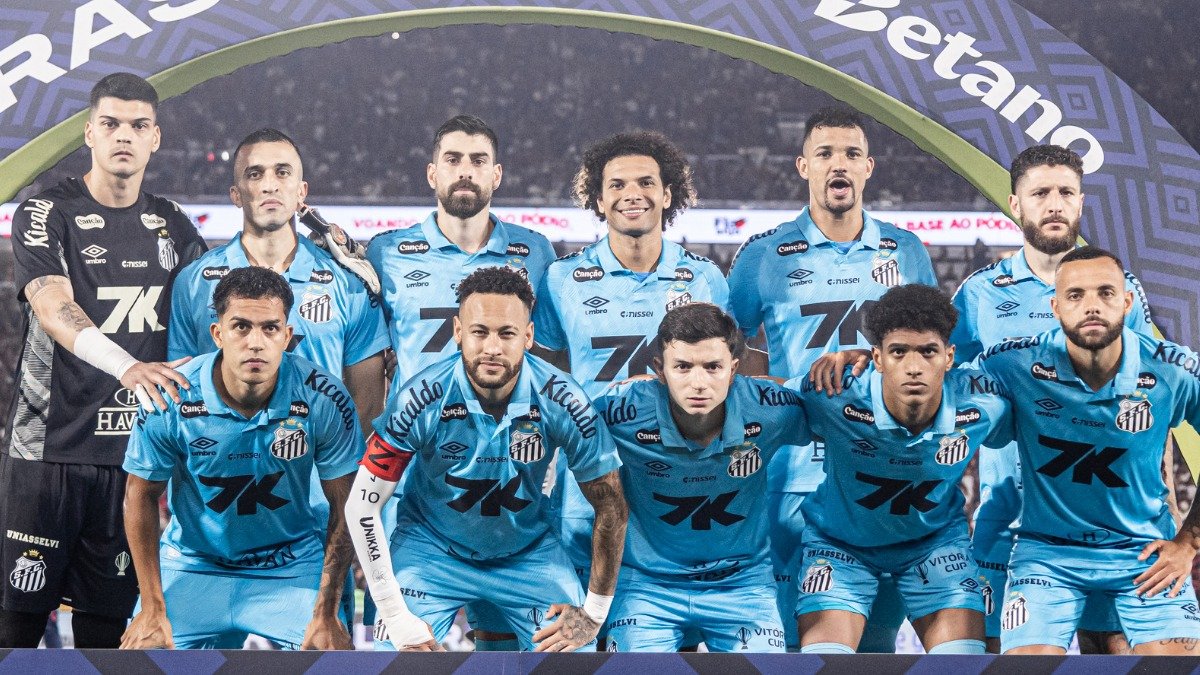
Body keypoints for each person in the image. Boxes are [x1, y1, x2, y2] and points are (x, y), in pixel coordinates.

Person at [1, 73, 206, 648]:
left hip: (131, 464)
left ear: (155, 138)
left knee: (102, 635)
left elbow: (213, 307)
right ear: (89, 132)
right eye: (111, 123)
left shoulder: (173, 223)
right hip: (47, 455)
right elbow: (51, 305)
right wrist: (127, 367)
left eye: (138, 126)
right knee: (15, 627)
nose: (124, 136)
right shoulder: (46, 210)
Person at [726, 107, 937, 650]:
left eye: (849, 154)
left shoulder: (905, 249)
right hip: (789, 476)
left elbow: (934, 353)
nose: (837, 165)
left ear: (869, 167)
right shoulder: (761, 255)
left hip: (882, 468)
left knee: (877, 642)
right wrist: (777, 400)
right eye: (824, 154)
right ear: (803, 166)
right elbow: (731, 352)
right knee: (792, 641)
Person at [168, 128, 387, 635]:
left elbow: (367, 404)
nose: (269, 184)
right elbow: (180, 396)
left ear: (301, 192)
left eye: (282, 173)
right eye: (254, 174)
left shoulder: (349, 283)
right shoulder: (194, 283)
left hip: (313, 525)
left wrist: (350, 509)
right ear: (236, 194)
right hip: (214, 519)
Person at [346, 266, 628, 652]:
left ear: (528, 337)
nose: (492, 347)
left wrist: (594, 612)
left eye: (507, 333)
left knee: (574, 657)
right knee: (395, 657)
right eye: (479, 332)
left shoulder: (565, 400)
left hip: (528, 552)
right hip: (431, 550)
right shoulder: (419, 398)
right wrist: (395, 615)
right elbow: (362, 506)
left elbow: (611, 505)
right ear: (458, 333)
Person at [949, 144, 1157, 652]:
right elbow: (946, 387)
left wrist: (1165, 508)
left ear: (1081, 202)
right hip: (1008, 518)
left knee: (1114, 655)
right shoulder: (980, 293)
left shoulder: (1119, 290)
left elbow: (1155, 399)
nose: (1055, 203)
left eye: (1066, 192)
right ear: (1015, 205)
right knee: (999, 658)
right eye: (1040, 193)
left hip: (1105, 522)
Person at [365, 114, 556, 649]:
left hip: (510, 475)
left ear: (497, 175)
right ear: (431, 173)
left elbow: (549, 365)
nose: (464, 172)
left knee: (506, 639)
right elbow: (375, 365)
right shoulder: (387, 253)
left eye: (477, 162)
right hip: (418, 480)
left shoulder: (535, 252)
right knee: (402, 644)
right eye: (452, 160)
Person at [532, 131, 729, 645]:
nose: (631, 193)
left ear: (668, 194)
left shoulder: (705, 279)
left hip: (678, 484)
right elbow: (545, 378)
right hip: (589, 485)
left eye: (646, 182)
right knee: (576, 634)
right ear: (598, 199)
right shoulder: (562, 279)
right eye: (616, 184)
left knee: (661, 643)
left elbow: (729, 376)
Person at [121, 267, 361, 649]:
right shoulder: (170, 395)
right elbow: (139, 495)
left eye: (270, 328)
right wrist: (152, 607)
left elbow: (346, 503)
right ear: (218, 334)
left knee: (328, 657)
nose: (255, 342)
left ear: (288, 336)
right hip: (195, 562)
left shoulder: (324, 397)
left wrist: (326, 610)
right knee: (143, 656)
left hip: (290, 565)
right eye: (241, 327)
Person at [978, 247, 1200, 655]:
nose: (1092, 306)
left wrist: (1189, 541)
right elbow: (931, 382)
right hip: (1046, 555)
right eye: (1076, 295)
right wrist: (868, 361)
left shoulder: (1173, 369)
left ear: (1127, 301)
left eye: (1106, 293)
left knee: (1176, 668)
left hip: (1144, 552)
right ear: (1055, 306)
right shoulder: (1012, 364)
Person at [791, 284, 1010, 654]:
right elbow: (760, 399)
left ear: (950, 356)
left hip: (934, 545)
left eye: (928, 352)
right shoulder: (832, 391)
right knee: (823, 664)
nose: (913, 367)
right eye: (898, 352)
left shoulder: (985, 401)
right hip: (840, 547)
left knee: (964, 663)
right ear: (877, 359)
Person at [596, 303, 808, 651]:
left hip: (743, 583)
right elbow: (556, 425)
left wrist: (848, 362)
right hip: (649, 587)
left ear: (734, 369)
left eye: (713, 367)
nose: (699, 383)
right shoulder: (621, 411)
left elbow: (841, 415)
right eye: (682, 367)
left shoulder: (771, 410)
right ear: (659, 371)